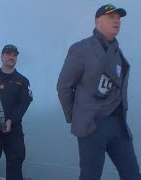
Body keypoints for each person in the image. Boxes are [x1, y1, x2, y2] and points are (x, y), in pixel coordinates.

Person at [57, 4, 141, 180]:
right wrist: (75, 116)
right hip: (92, 125)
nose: (116, 20)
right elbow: (64, 86)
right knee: (90, 176)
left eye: (118, 17)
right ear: (97, 22)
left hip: (118, 124)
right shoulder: (82, 49)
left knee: (132, 173)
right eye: (111, 17)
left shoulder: (118, 52)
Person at [0, 44, 33, 180]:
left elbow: (23, 104)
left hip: (13, 130)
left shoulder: (22, 81)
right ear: (2, 57)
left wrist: (10, 120)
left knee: (15, 166)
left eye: (14, 55)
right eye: (8, 54)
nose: (12, 57)